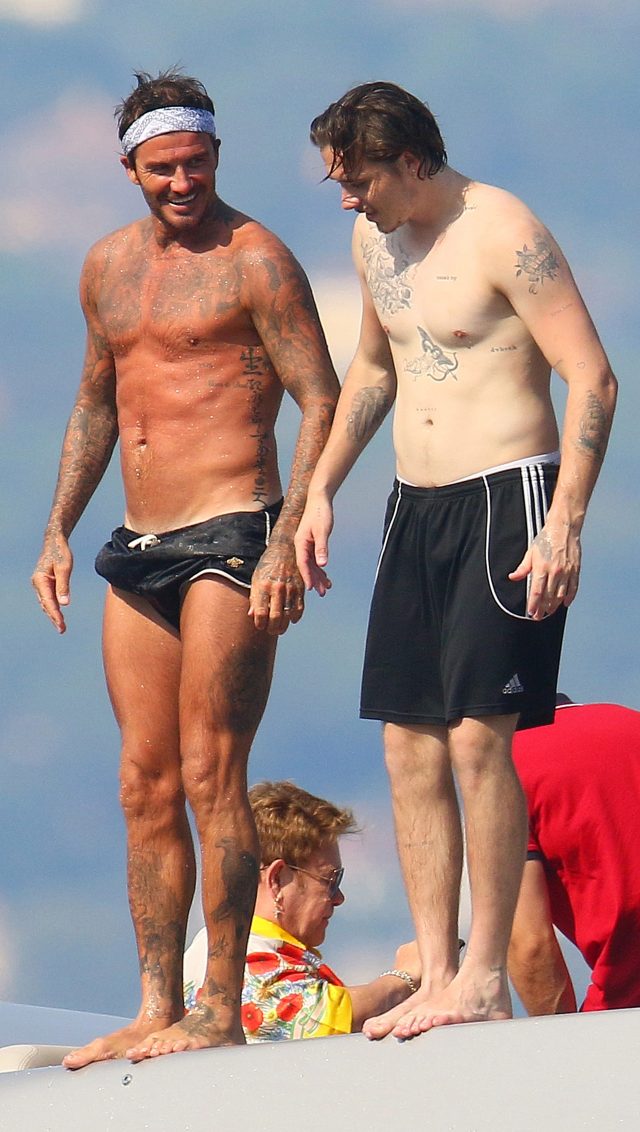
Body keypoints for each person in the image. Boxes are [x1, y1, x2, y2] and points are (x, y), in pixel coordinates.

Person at [294, 81, 617, 1040]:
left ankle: (482, 976)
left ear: (412, 162)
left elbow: (593, 376)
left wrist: (565, 523)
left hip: (509, 497)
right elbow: (376, 366)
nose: (348, 199)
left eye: (359, 180)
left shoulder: (504, 231)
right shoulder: (375, 241)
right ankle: (435, 970)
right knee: (407, 742)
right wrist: (320, 487)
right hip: (416, 503)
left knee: (480, 739)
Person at [31, 70, 340, 1066]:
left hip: (233, 533)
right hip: (140, 542)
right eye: (163, 167)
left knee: (213, 771)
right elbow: (96, 401)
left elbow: (321, 395)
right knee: (142, 781)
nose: (182, 182)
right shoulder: (106, 267)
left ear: (216, 156)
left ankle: (219, 1005)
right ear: (130, 168)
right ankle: (155, 1004)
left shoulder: (257, 260)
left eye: (196, 163)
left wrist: (289, 533)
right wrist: (57, 529)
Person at [183, 781, 421, 1039]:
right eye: (330, 880)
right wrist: (405, 977)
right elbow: (320, 1018)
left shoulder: (225, 946)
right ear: (277, 880)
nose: (339, 898)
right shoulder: (242, 954)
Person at [509, 698, 640, 1014]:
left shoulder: (503, 771)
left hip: (627, 1008)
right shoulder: (628, 720)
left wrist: (563, 1039)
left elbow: (529, 946)